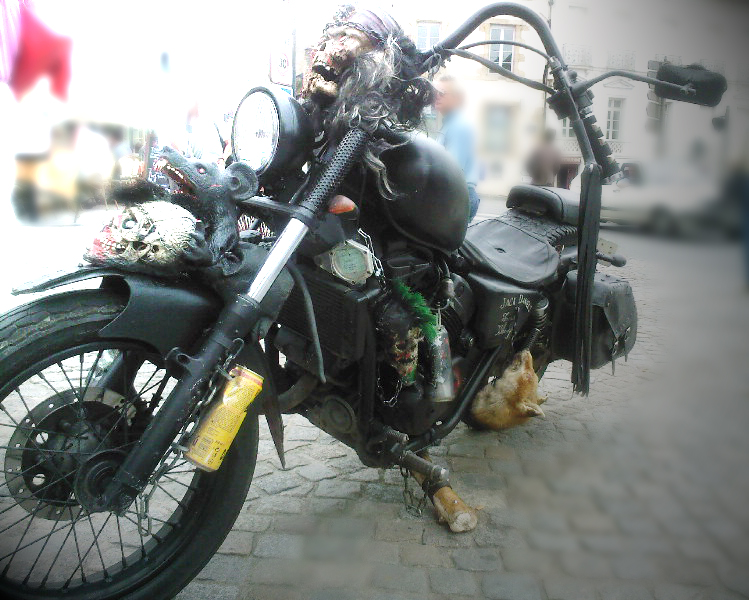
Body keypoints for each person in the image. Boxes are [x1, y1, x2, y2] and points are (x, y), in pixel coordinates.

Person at [433, 74, 481, 220]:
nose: (436, 96)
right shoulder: (450, 123)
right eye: (435, 93)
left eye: (441, 93)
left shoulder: (458, 125)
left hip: (456, 197)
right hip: (458, 195)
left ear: (457, 98)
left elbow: (452, 171)